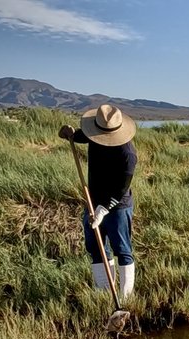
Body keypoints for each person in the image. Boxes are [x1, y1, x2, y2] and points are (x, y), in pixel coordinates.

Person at [58, 104, 138, 299]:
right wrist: (69, 134)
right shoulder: (95, 134)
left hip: (118, 206)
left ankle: (125, 298)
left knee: (122, 250)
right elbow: (80, 136)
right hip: (92, 200)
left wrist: (103, 210)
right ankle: (103, 294)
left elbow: (120, 188)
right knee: (96, 248)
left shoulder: (127, 155)